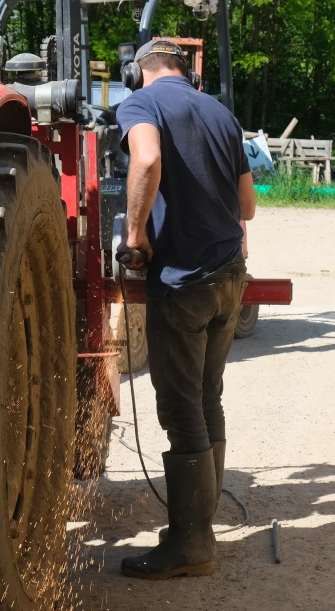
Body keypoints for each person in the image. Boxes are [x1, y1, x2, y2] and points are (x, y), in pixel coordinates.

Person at [115, 39, 257, 580]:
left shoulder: (141, 105)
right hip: (229, 278)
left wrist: (134, 235)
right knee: (207, 396)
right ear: (183, 68)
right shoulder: (221, 112)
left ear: (140, 72)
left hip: (182, 281)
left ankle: (191, 544)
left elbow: (146, 158)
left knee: (180, 411)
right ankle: (201, 525)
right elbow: (247, 206)